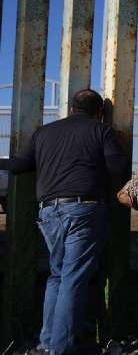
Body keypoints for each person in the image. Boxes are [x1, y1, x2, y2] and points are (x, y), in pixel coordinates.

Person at [0, 89, 128, 355]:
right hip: (84, 210)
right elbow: (117, 167)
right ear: (99, 112)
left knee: (57, 276)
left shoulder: (43, 132)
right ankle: (61, 348)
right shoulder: (100, 130)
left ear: (71, 109)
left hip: (48, 212)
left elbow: (19, 165)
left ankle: (47, 343)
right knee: (73, 279)